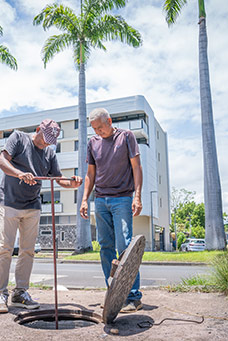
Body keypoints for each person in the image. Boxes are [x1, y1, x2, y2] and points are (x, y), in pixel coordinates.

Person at [0, 119, 82, 314]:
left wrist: (72, 183)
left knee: (28, 250)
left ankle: (20, 293)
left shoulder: (49, 152)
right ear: (38, 130)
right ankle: (0, 293)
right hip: (9, 201)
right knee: (5, 249)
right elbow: (1, 161)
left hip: (32, 205)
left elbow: (58, 179)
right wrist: (20, 174)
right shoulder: (18, 138)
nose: (46, 144)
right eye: (44, 139)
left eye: (50, 141)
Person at [80, 108, 143, 313]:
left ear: (109, 120)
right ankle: (113, 293)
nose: (98, 132)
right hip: (100, 200)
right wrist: (84, 200)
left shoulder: (126, 136)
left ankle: (133, 296)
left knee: (124, 245)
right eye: (94, 129)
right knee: (105, 245)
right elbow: (90, 174)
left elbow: (136, 167)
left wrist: (138, 196)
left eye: (100, 127)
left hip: (122, 199)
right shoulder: (93, 143)